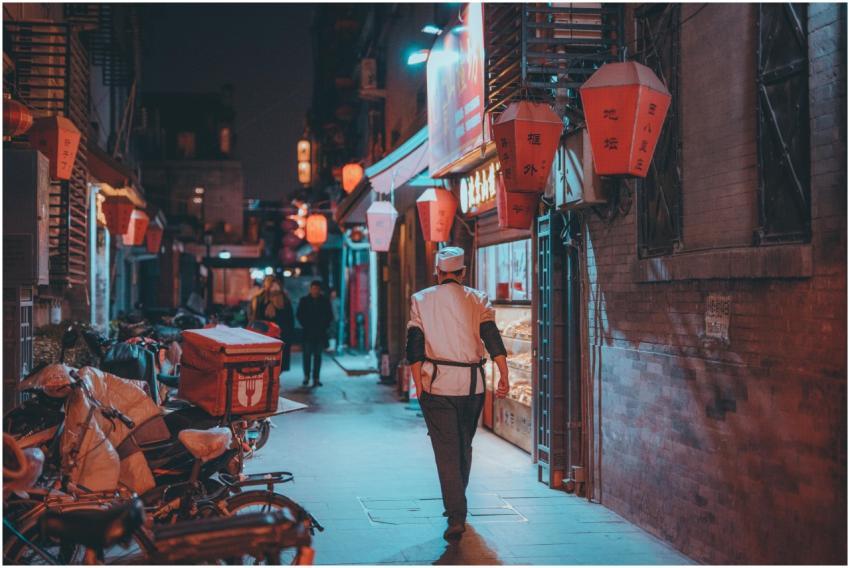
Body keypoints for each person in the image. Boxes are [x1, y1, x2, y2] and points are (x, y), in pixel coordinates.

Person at [405, 247, 509, 541]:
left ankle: (456, 514)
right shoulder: (478, 299)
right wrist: (504, 374)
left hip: (437, 386)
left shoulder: (421, 299)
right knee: (464, 445)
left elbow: (414, 346)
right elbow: (492, 337)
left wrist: (418, 385)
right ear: (463, 273)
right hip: (473, 386)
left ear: (438, 273)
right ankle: (457, 503)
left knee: (447, 451)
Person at [249, 276, 295, 370]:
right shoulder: (259, 299)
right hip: (265, 336)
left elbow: (289, 318)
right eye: (272, 285)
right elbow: (254, 317)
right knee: (266, 362)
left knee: (280, 361)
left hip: (282, 334)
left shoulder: (284, 299)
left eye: (276, 285)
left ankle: (276, 376)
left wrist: (290, 333)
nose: (274, 288)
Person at [296, 280, 334, 387]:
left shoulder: (324, 301)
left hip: (320, 333)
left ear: (319, 290)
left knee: (318, 356)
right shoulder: (304, 300)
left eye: (317, 289)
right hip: (308, 332)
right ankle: (306, 376)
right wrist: (305, 324)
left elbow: (329, 316)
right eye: (313, 289)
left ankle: (316, 378)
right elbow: (299, 315)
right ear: (310, 289)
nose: (315, 291)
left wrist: (324, 326)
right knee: (307, 356)